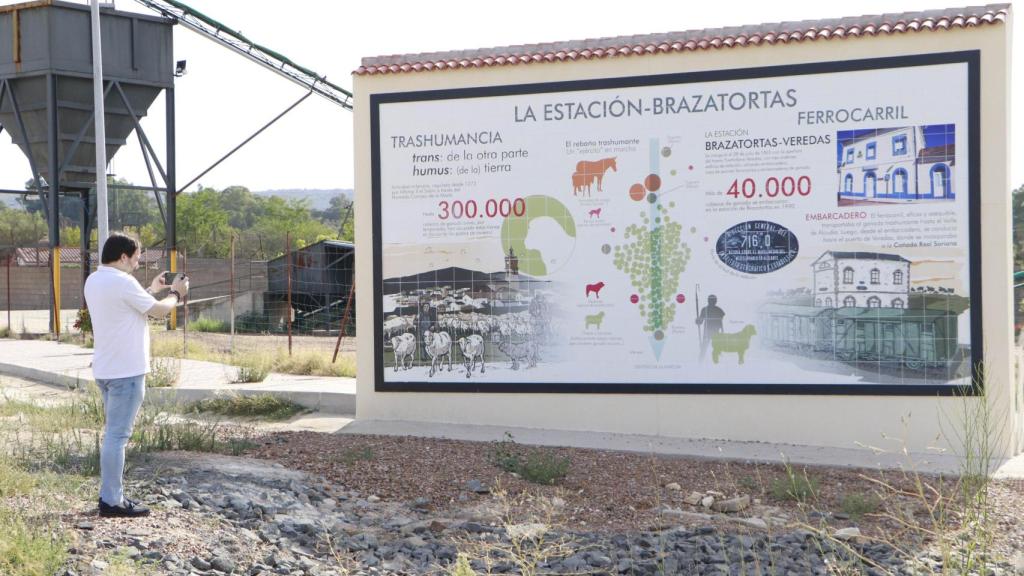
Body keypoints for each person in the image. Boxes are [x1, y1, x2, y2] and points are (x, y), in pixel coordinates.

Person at [84, 233, 189, 518]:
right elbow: (157, 312)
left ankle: (110, 495)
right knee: (117, 437)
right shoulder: (123, 282)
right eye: (137, 256)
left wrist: (151, 288)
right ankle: (111, 500)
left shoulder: (94, 280)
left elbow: (126, 304)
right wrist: (175, 294)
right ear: (123, 257)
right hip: (126, 372)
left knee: (112, 435)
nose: (138, 261)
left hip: (105, 370)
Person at [695, 294, 725, 361]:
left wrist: (722, 332)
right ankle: (700, 363)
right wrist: (698, 320)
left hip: (716, 332)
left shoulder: (718, 310)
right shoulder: (705, 310)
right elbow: (700, 321)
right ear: (708, 301)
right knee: (704, 349)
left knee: (717, 349)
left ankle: (718, 363)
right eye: (711, 300)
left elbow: (721, 322)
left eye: (713, 300)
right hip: (707, 332)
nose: (713, 301)